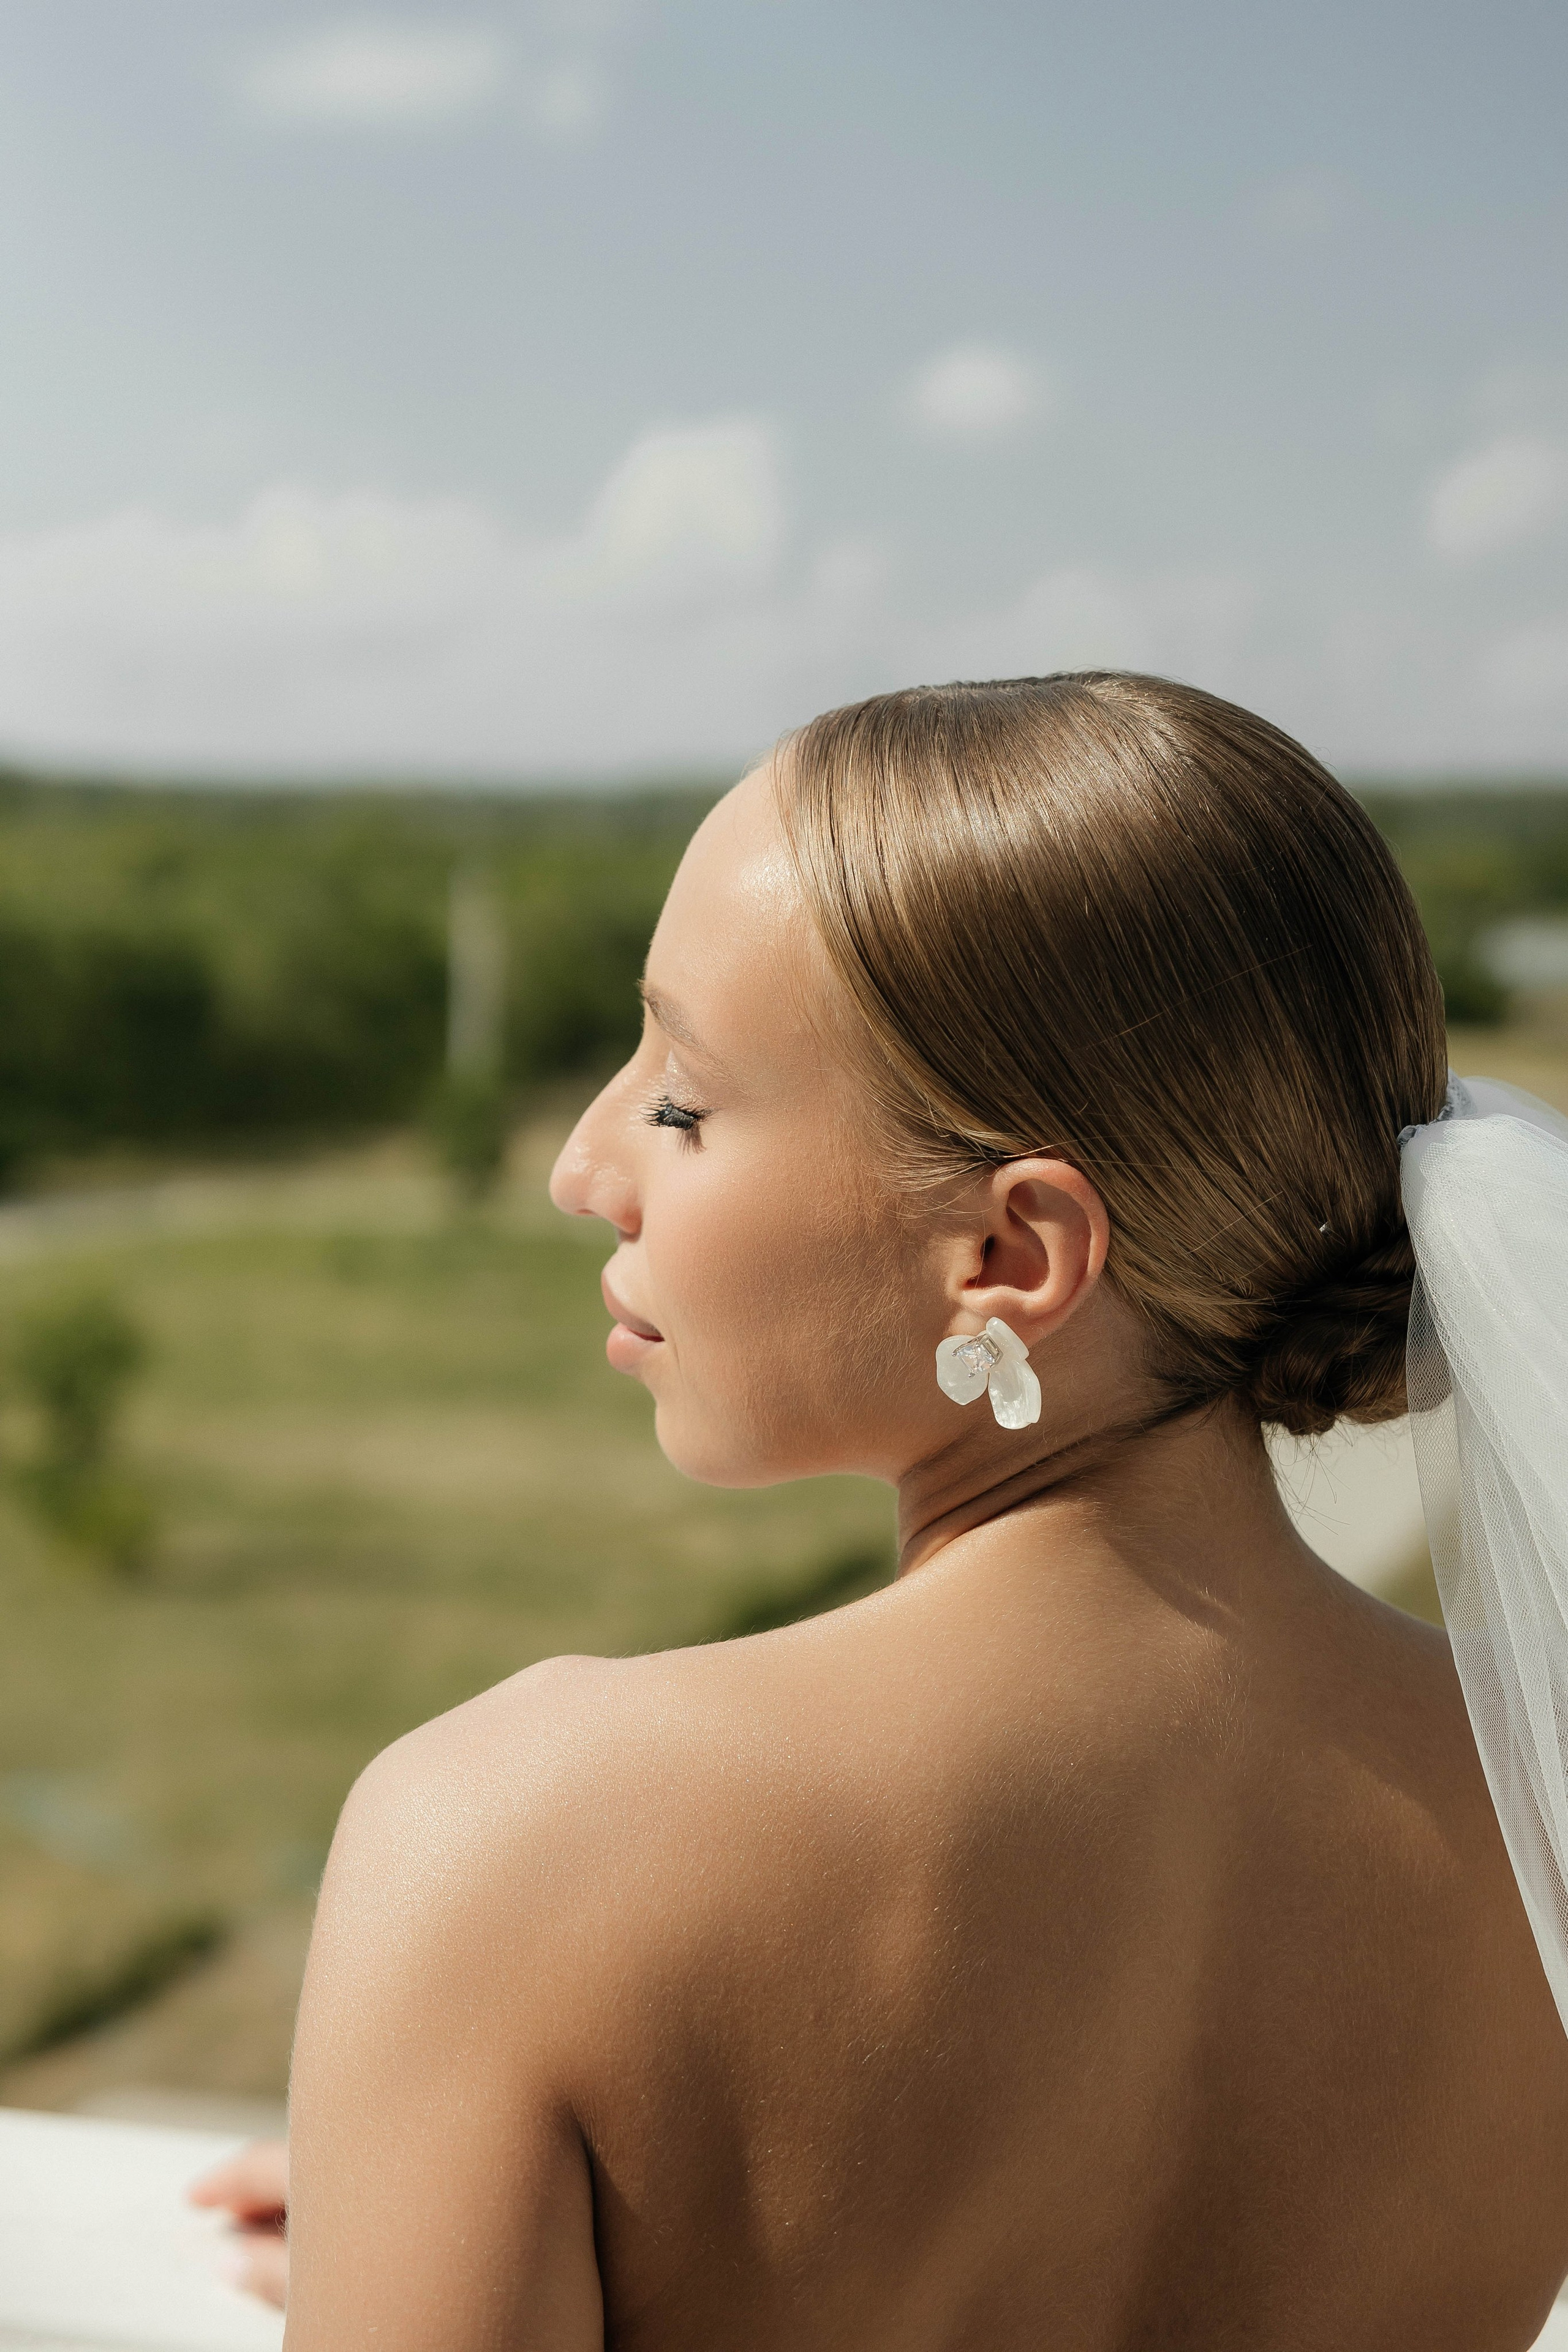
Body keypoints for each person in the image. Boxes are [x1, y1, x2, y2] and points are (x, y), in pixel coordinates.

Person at [198, 674, 1568, 2348]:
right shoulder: (1542, 1806)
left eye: (682, 1103)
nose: (580, 1162)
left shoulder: (518, 1844)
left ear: (1007, 1258)